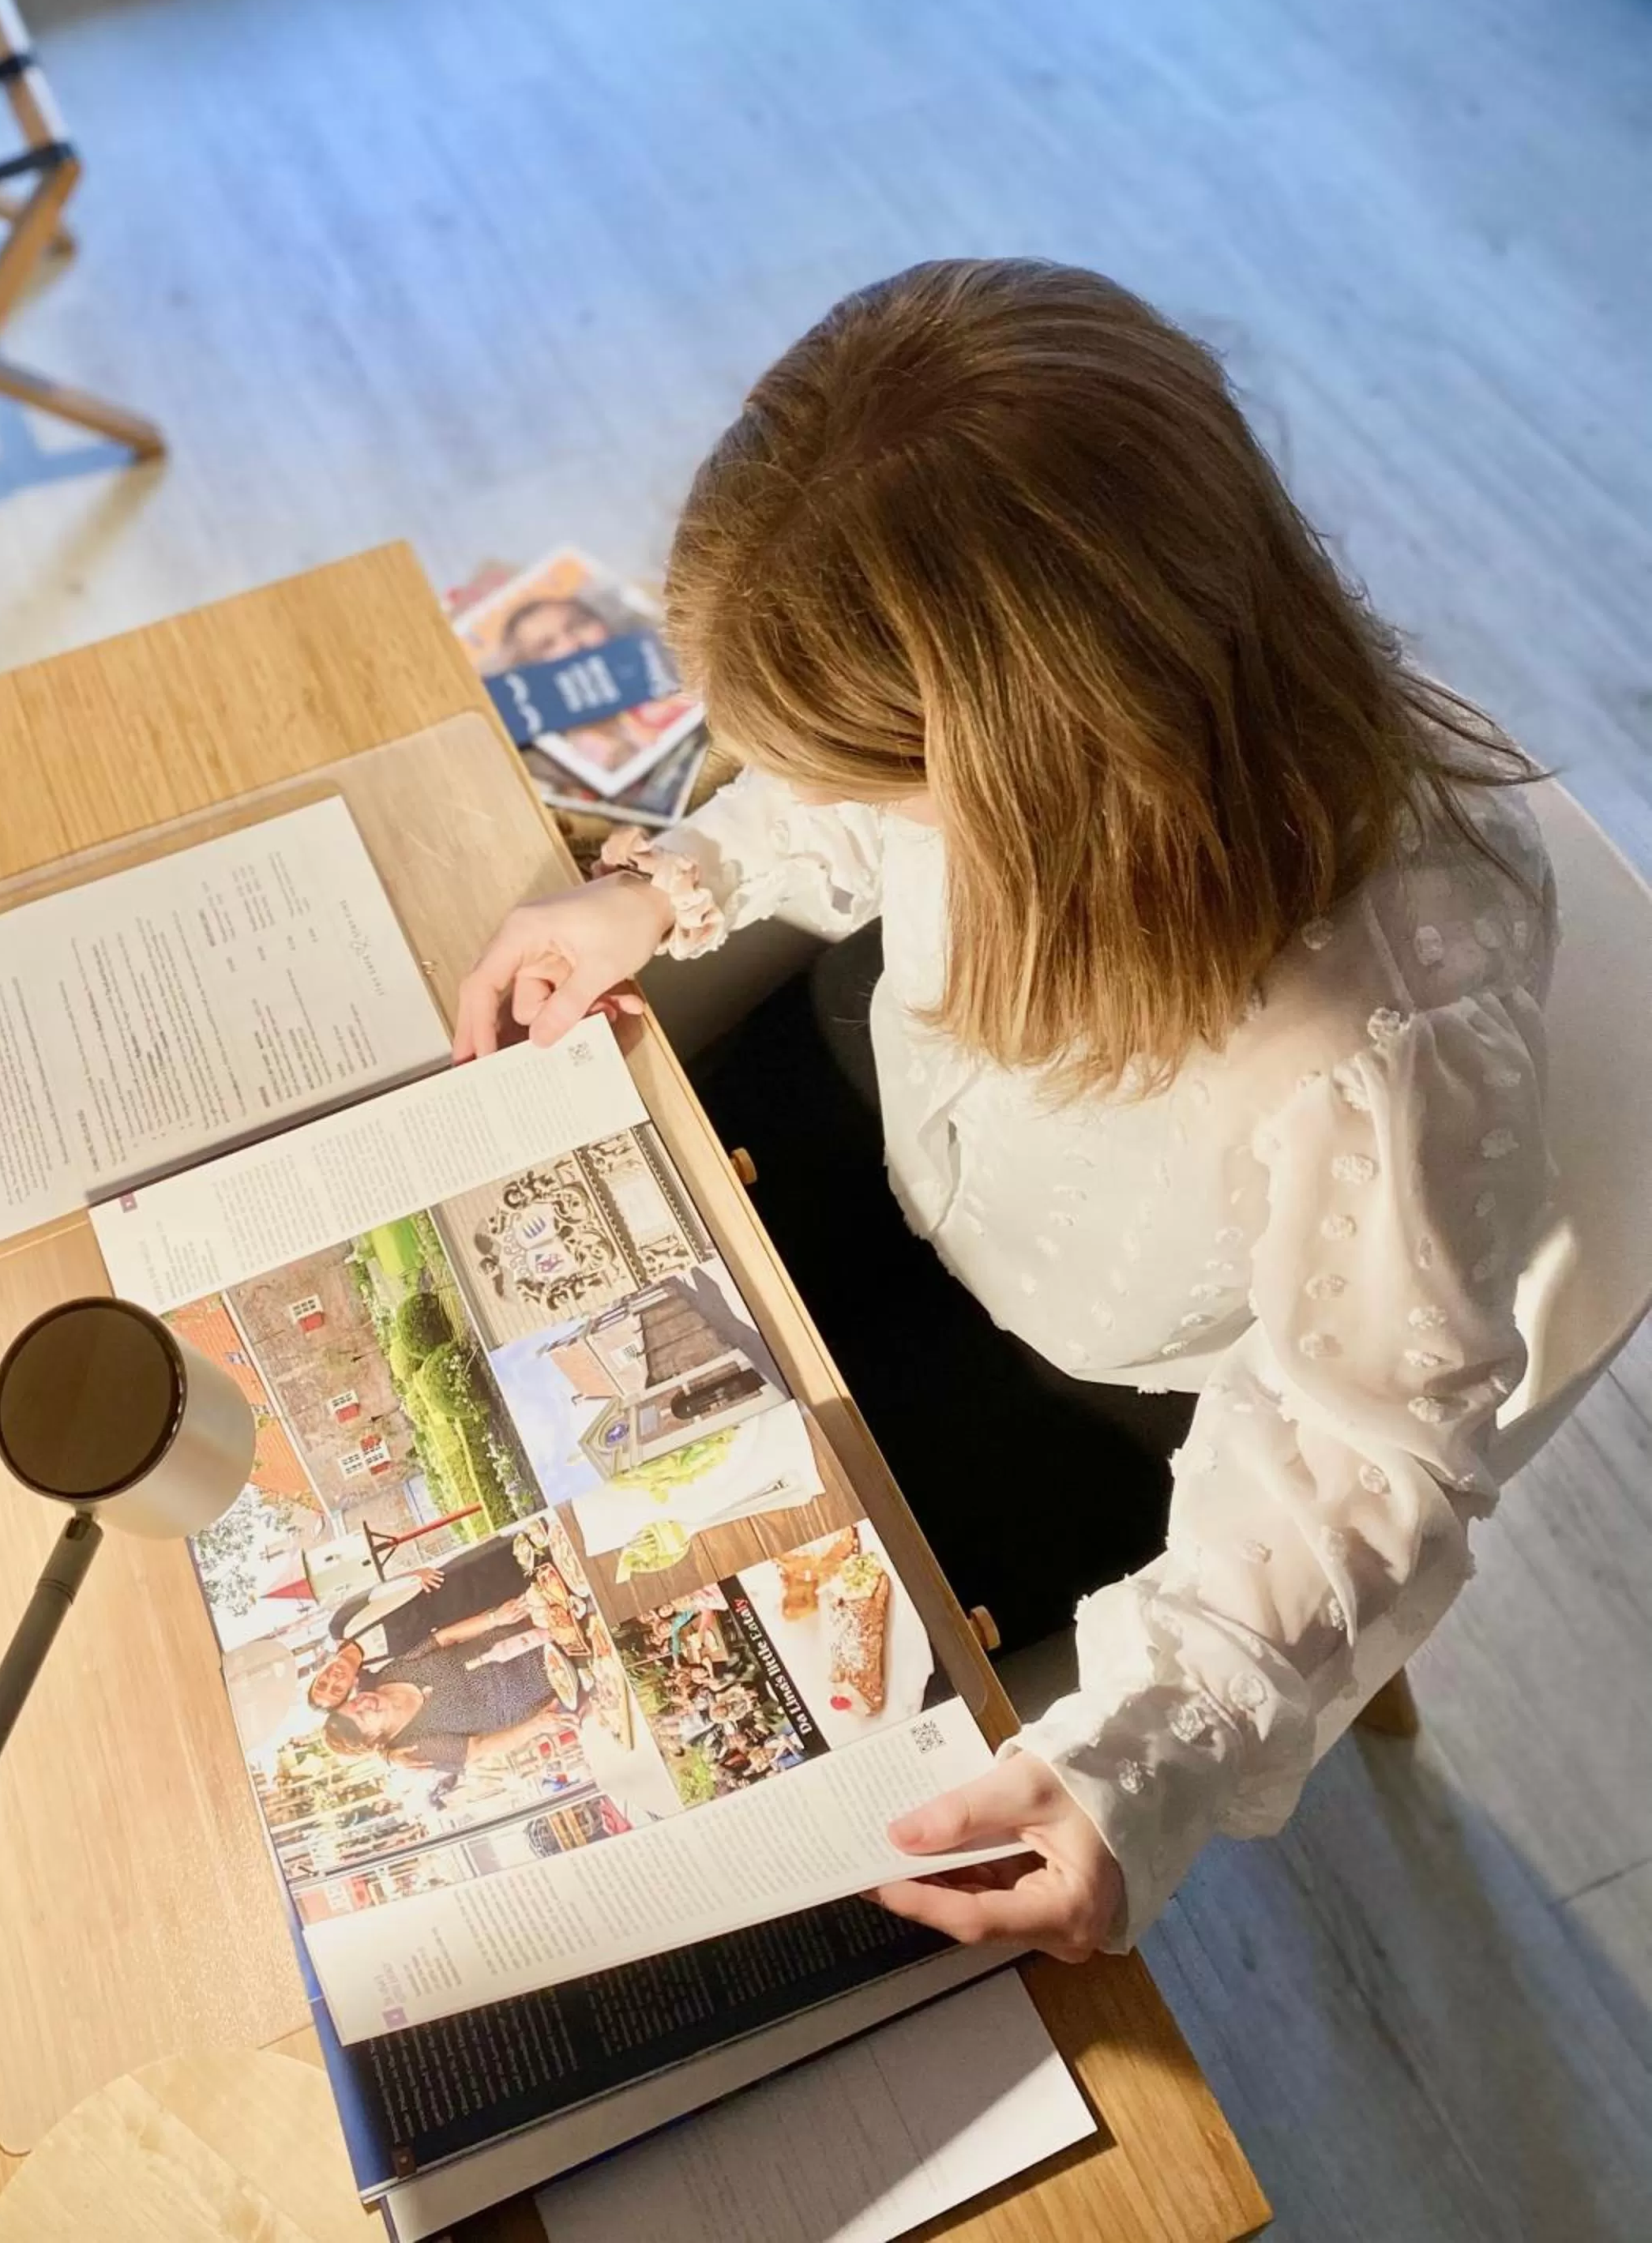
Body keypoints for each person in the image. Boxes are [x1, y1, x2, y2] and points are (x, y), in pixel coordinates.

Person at [452, 260, 1557, 1965]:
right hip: (887, 1105)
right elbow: (840, 817)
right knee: (496, 1311)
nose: (841, 801)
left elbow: (1368, 1449)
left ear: (1046, 769)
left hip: (1082, 1381)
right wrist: (673, 884)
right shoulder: (1065, 731)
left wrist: (1155, 1753)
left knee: (693, 1696)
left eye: (882, 776)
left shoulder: (1371, 1037)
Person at [306, 1535, 533, 1711]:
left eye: (322, 1683)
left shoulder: (340, 1625)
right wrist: (493, 1619)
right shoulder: (379, 1673)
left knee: (516, 1545)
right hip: (462, 1611)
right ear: (349, 1691)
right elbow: (441, 1641)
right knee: (528, 1575)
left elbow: (375, 1590)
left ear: (317, 1674)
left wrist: (415, 1574)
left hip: (444, 1578)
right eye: (337, 1690)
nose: (333, 1679)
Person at [321, 1637, 565, 1779]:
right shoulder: (412, 1748)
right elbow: (479, 1748)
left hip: (511, 1639)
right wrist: (538, 1726)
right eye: (363, 1716)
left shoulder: (389, 1674)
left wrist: (495, 1617)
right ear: (372, 1737)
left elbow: (441, 1639)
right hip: (530, 1685)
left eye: (354, 1704)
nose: (364, 1704)